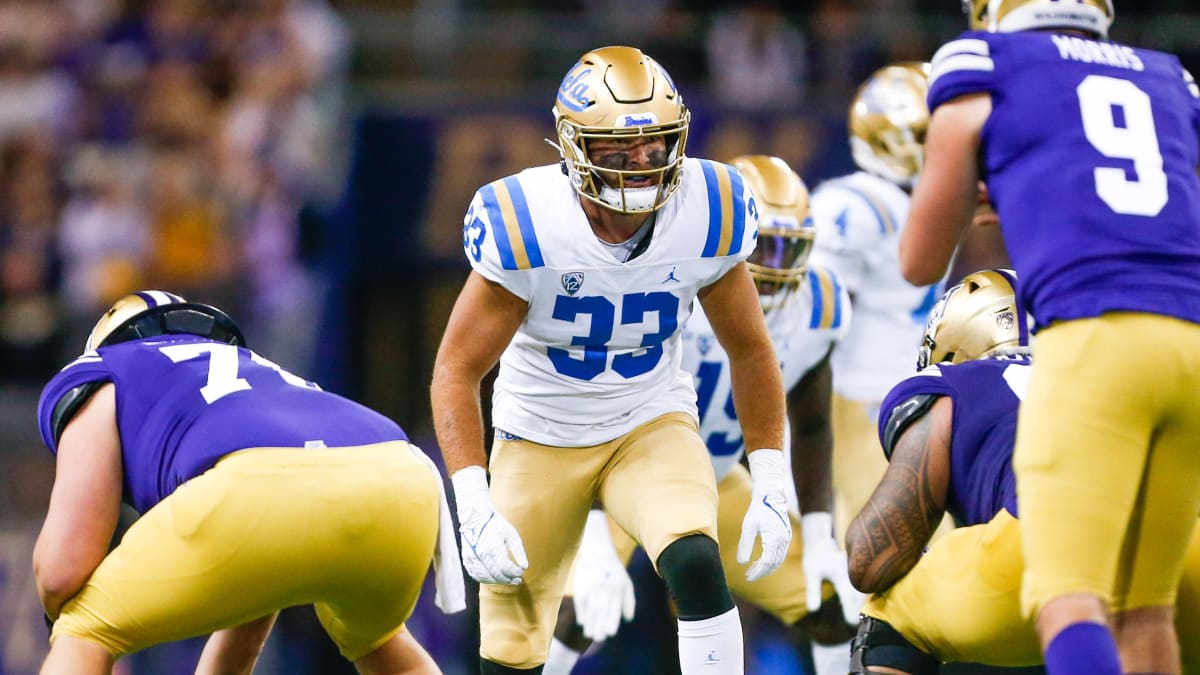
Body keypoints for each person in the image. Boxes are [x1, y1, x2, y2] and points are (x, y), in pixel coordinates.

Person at [430, 46, 791, 675]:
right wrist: (473, 497)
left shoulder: (709, 206)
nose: (641, 169)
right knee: (511, 650)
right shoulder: (528, 221)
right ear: (572, 147)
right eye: (618, 153)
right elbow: (456, 370)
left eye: (655, 149)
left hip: (647, 422)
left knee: (696, 563)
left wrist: (772, 475)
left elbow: (750, 348)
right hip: (539, 435)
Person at [897, 0, 1200, 672]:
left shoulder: (985, 65)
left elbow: (919, 259)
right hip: (1192, 338)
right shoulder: (1168, 76)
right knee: (1147, 609)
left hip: (1096, 340)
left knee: (1068, 597)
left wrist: (986, 184)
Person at [541, 155, 862, 675]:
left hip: (712, 477)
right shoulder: (666, 282)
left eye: (791, 247)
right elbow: (596, 407)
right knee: (577, 613)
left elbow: (812, 425)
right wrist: (597, 537)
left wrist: (822, 537)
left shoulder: (819, 306)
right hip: (615, 475)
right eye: (765, 244)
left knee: (832, 603)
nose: (776, 268)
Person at [32, 291, 463, 675]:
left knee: (85, 629)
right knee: (381, 642)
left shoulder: (103, 371)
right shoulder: (259, 371)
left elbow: (62, 569)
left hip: (259, 488)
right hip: (402, 479)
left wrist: (61, 616)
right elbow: (248, 624)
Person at [843, 270, 1200, 674]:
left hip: (1047, 545)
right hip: (1179, 551)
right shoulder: (1107, 372)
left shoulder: (954, 383)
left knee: (888, 611)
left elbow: (870, 561)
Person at [807, 61, 940, 542]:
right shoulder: (855, 204)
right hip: (859, 403)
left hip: (906, 394)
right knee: (880, 548)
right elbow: (813, 318)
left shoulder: (915, 204)